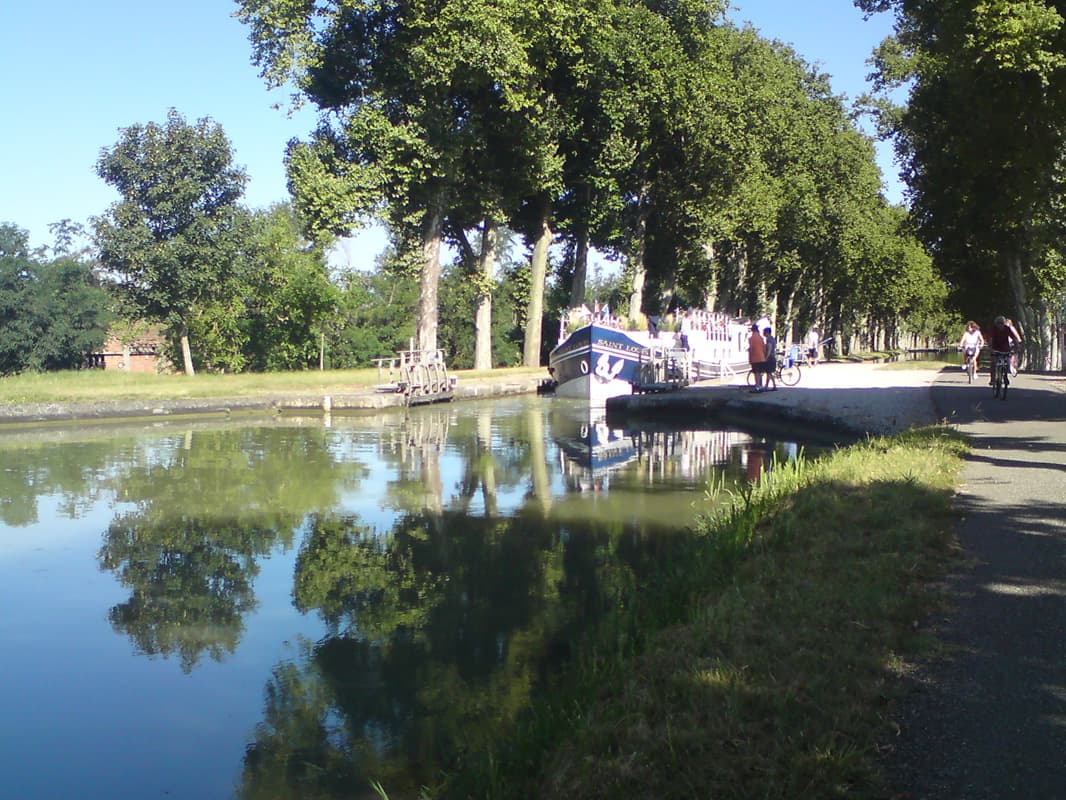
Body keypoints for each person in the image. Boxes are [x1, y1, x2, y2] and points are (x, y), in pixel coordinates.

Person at [987, 315, 1021, 385]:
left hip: (1005, 348)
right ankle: (992, 379)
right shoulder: (993, 329)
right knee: (993, 362)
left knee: (1007, 363)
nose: (1000, 325)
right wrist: (990, 348)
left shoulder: (1007, 329)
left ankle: (1005, 376)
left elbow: (1014, 338)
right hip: (995, 347)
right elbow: (990, 339)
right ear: (996, 324)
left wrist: (1016, 347)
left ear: (1004, 323)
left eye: (1001, 323)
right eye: (998, 323)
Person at [748, 322, 767, 392]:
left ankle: (757, 386)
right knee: (760, 373)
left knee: (756, 372)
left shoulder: (751, 338)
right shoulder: (761, 338)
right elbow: (764, 348)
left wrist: (749, 359)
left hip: (755, 358)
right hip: (762, 357)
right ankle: (761, 386)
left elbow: (751, 349)